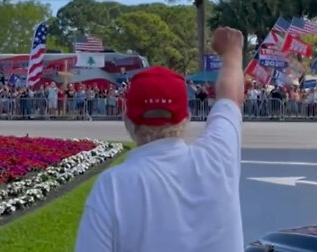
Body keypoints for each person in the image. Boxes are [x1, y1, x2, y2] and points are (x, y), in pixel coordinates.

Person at [75, 27, 244, 252]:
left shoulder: (113, 186)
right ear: (186, 117)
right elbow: (230, 96)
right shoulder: (218, 158)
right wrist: (233, 51)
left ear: (127, 120)